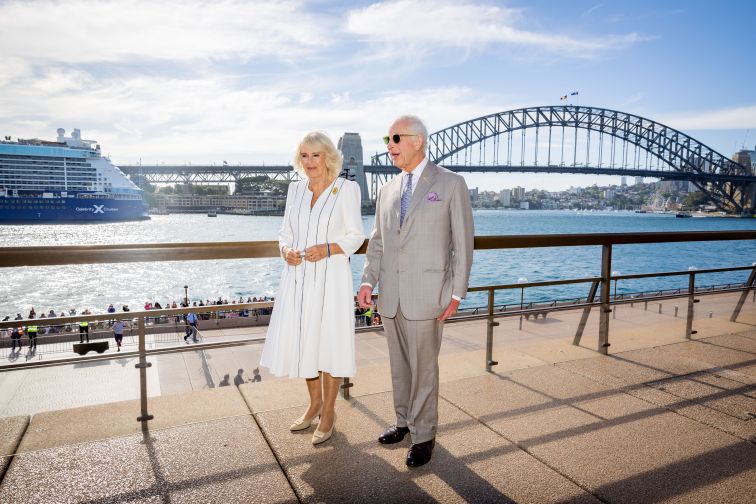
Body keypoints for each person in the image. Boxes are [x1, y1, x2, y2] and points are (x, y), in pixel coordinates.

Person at [358, 115, 474, 468]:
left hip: (429, 295)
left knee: (425, 369)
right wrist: (367, 282)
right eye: (387, 138)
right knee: (399, 366)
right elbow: (377, 242)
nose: (389, 145)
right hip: (391, 296)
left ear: (418, 141)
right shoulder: (386, 190)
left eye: (395, 138)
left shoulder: (451, 183)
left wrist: (457, 293)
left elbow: (463, 242)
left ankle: (424, 436)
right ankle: (403, 421)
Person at [260, 131, 365, 446]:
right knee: (306, 342)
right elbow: (285, 232)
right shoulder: (295, 190)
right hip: (298, 278)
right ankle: (314, 405)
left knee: (328, 344)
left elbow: (356, 235)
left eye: (315, 155)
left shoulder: (346, 188)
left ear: (329, 157)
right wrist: (285, 250)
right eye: (304, 155)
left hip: (330, 276)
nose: (309, 162)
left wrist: (331, 248)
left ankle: (329, 412)